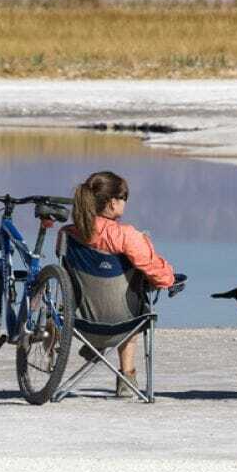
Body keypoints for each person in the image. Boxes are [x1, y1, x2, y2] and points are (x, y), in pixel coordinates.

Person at [66, 170, 176, 397]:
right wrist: (171, 278)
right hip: (123, 323)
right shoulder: (126, 235)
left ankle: (95, 345)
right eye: (124, 198)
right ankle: (127, 378)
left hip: (81, 320)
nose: (125, 203)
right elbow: (156, 272)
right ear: (112, 203)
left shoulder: (69, 234)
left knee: (109, 297)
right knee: (134, 303)